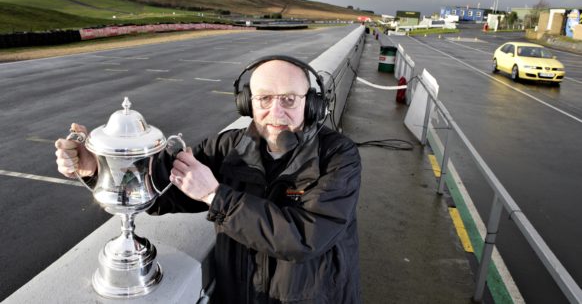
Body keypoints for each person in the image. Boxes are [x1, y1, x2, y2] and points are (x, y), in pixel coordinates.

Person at [55, 55, 362, 304]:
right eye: (264, 99)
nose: (275, 111)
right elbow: (161, 189)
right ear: (247, 103)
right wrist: (98, 168)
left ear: (312, 103)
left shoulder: (338, 155)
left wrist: (216, 197)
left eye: (289, 99)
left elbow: (305, 238)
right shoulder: (226, 147)